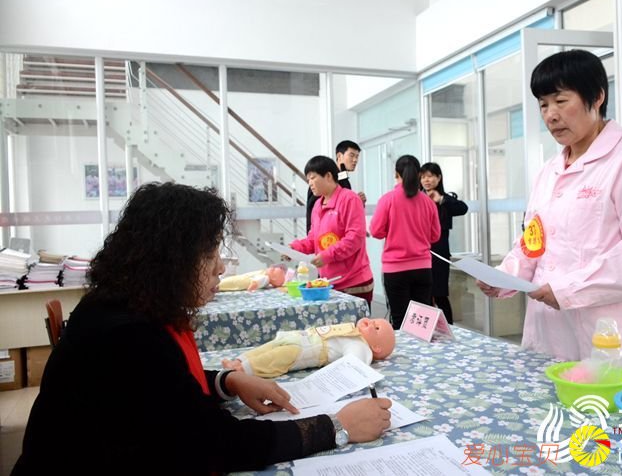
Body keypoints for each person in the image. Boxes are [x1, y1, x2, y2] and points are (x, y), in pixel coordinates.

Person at [12, 182, 391, 475]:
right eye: (210, 255)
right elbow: (215, 443)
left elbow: (162, 389)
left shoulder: (123, 306)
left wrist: (226, 382)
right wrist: (336, 426)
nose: (221, 268)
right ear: (170, 261)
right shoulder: (128, 336)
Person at [477, 49, 622, 383]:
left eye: (560, 101)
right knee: (549, 413)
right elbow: (534, 239)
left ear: (597, 97)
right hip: (550, 334)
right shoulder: (549, 171)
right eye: (543, 105)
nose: (551, 115)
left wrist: (567, 288)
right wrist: (505, 276)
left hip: (614, 336)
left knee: (614, 414)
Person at [292, 156, 375, 307]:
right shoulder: (318, 205)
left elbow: (354, 238)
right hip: (329, 284)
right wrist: (294, 248)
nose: (310, 183)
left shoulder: (350, 199)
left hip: (354, 284)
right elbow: (313, 239)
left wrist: (327, 256)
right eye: (308, 180)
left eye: (313, 178)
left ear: (328, 176)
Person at [370, 155, 441, 329]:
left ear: (397, 174)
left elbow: (376, 231)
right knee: (421, 324)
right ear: (419, 174)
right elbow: (435, 236)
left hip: (395, 270)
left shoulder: (388, 199)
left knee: (400, 320)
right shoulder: (428, 202)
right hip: (423, 269)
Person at [221, 318, 395, 378]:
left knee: (275, 358)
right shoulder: (353, 330)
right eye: (374, 320)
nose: (371, 322)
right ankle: (239, 360)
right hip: (300, 336)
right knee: (267, 347)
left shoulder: (360, 345)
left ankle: (243, 370)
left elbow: (354, 364)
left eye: (376, 328)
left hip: (308, 350)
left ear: (376, 348)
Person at [420, 162, 468, 324]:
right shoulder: (417, 199)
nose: (426, 180)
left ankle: (449, 329)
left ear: (439, 178)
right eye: (423, 177)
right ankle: (427, 329)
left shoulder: (446, 199)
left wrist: (440, 199)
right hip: (420, 254)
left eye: (430, 176)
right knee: (423, 295)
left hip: (439, 254)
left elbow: (463, 208)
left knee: (440, 294)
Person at [306, 140, 366, 233]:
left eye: (357, 156)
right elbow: (315, 209)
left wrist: (356, 202)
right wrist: (313, 235)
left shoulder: (344, 178)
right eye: (351, 155)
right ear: (339, 156)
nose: (355, 160)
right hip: (323, 234)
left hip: (339, 234)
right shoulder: (323, 180)